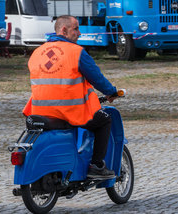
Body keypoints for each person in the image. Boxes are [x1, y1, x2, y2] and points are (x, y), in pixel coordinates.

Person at [22, 15, 118, 179]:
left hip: (40, 112)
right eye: (76, 29)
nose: (79, 33)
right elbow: (96, 78)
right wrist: (110, 91)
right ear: (64, 30)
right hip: (68, 111)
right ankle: (96, 166)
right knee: (105, 120)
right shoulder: (76, 52)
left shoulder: (36, 53)